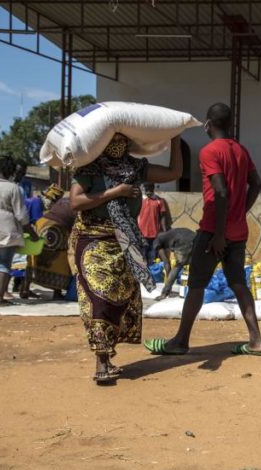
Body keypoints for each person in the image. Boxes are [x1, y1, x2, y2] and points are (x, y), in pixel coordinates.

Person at [143, 103, 261, 356]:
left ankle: (180, 341)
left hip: (212, 232)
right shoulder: (242, 151)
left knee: (197, 285)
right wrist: (239, 214)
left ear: (208, 124)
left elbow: (219, 191)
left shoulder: (209, 152)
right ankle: (256, 340)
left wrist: (219, 233)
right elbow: (257, 184)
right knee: (238, 283)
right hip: (238, 232)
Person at [69, 133, 182, 384]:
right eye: (113, 140)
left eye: (122, 141)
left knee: (121, 297)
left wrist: (175, 139)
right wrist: (114, 192)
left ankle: (108, 355)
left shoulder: (135, 168)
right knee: (99, 296)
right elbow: (76, 202)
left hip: (125, 240)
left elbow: (173, 172)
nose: (118, 146)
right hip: (92, 239)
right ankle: (100, 360)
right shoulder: (89, 167)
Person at [0, 156, 39, 307]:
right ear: (10, 170)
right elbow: (21, 215)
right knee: (4, 263)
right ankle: (0, 298)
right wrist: (32, 233)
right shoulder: (14, 188)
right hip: (7, 227)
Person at [25, 185, 74, 300]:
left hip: (42, 224)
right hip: (56, 228)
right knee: (59, 259)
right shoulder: (79, 205)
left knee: (34, 257)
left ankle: (25, 289)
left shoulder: (64, 201)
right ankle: (56, 293)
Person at [153, 227, 196, 300]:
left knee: (178, 266)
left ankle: (164, 293)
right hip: (194, 237)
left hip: (183, 241)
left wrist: (168, 280)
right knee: (193, 264)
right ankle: (194, 292)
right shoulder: (165, 235)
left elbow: (167, 264)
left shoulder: (157, 244)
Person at [137, 182, 168, 263]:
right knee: (142, 257)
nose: (148, 191)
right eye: (146, 189)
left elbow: (163, 217)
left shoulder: (159, 201)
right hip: (141, 234)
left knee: (152, 257)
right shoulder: (140, 200)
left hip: (154, 235)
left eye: (150, 189)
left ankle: (151, 274)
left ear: (153, 188)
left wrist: (164, 232)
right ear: (143, 189)